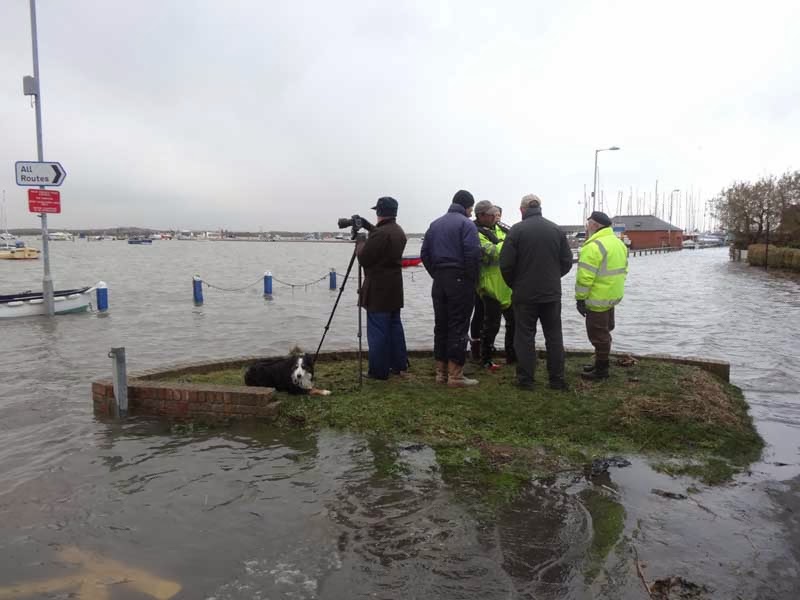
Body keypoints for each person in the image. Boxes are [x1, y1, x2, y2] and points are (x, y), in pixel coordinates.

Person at [499, 194, 573, 390]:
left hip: (524, 294)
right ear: (540, 207)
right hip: (551, 293)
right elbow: (567, 261)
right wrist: (553, 277)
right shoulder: (555, 229)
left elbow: (505, 265)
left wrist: (515, 284)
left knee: (524, 336)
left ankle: (526, 380)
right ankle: (556, 380)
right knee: (554, 336)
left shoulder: (516, 231)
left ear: (522, 210)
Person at [421, 190, 482, 387]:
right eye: (471, 209)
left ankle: (441, 373)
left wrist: (437, 274)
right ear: (467, 206)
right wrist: (471, 280)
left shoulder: (435, 224)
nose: (471, 213)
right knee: (459, 325)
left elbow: (425, 254)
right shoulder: (467, 225)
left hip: (439, 280)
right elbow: (472, 255)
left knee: (441, 325)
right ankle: (455, 375)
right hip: (460, 280)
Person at [356, 197, 409, 379]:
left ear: (379, 212)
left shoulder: (380, 234)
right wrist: (369, 226)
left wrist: (360, 240)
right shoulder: (398, 231)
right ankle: (398, 365)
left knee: (377, 331)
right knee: (394, 327)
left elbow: (364, 258)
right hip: (394, 289)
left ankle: (378, 371)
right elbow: (383, 237)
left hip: (378, 290)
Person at [575, 210, 629, 380]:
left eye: (588, 222)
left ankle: (602, 370)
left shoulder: (593, 246)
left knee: (598, 335)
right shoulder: (618, 243)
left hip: (597, 299)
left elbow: (585, 278)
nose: (586, 225)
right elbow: (624, 269)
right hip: (612, 296)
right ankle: (600, 362)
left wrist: (580, 299)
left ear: (594, 225)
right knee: (605, 331)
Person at [473, 200, 514, 371]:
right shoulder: (475, 232)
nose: (494, 217)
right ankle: (485, 359)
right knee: (491, 325)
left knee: (514, 322)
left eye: (495, 214)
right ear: (481, 216)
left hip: (507, 285)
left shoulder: (502, 229)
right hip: (489, 286)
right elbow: (491, 253)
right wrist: (509, 244)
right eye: (490, 215)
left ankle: (512, 356)